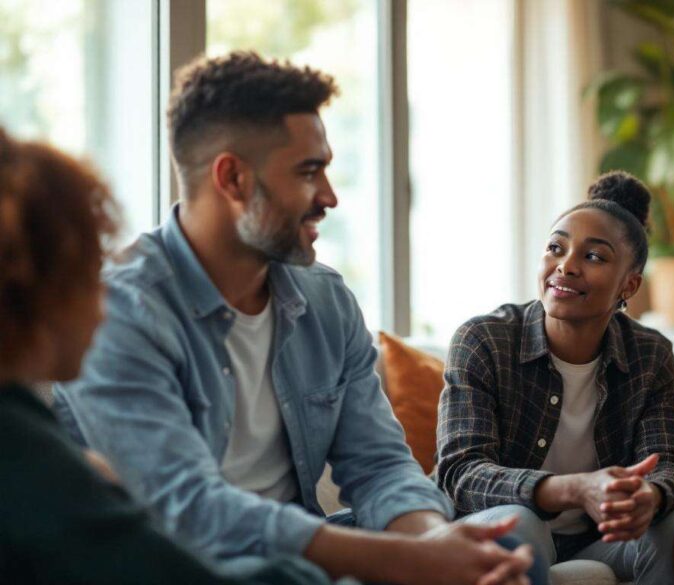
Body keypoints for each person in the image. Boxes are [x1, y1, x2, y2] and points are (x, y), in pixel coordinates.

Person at [51, 51, 536, 585]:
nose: (329, 197)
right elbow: (185, 508)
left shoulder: (325, 300)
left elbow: (378, 465)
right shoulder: (119, 311)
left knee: (506, 552)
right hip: (183, 564)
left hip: (303, 553)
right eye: (309, 172)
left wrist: (431, 541)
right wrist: (404, 561)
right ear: (232, 178)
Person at [0, 128, 331, 584]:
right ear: (35, 290)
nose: (104, 303)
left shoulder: (30, 432)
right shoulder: (24, 452)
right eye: (89, 273)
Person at [436, 171, 674, 584]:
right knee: (522, 524)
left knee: (673, 524)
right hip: (500, 524)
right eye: (556, 248)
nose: (566, 266)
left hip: (597, 538)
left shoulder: (651, 355)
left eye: (593, 257)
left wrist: (652, 495)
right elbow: (460, 473)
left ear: (629, 284)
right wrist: (573, 489)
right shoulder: (484, 339)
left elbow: (670, 463)